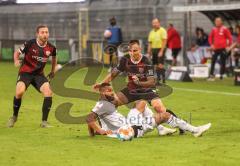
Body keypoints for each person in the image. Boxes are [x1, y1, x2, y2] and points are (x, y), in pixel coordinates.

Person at [93, 40, 185, 134]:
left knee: (159, 108)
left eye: (135, 51)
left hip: (147, 89)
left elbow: (151, 81)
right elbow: (113, 74)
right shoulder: (125, 60)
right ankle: (101, 128)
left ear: (140, 50)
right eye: (131, 51)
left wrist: (139, 82)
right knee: (110, 101)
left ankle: (181, 125)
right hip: (131, 89)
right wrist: (102, 84)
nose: (133, 53)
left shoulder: (146, 61)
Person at [87, 83, 211, 138]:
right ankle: (195, 130)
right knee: (163, 114)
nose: (112, 92)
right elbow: (89, 119)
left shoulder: (104, 104)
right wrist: (101, 131)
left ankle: (163, 129)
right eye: (108, 91)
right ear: (102, 92)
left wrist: (93, 133)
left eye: (111, 90)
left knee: (143, 103)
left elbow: (92, 120)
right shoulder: (102, 104)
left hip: (131, 126)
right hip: (129, 130)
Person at [7, 25, 57, 128]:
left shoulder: (51, 47)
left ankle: (44, 122)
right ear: (37, 34)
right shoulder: (30, 43)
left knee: (48, 92)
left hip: (39, 75)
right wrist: (16, 60)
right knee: (19, 92)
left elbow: (54, 58)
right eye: (42, 32)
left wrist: (52, 71)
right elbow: (17, 52)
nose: (45, 34)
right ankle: (14, 116)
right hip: (25, 73)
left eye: (47, 32)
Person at [148, 18, 167, 84]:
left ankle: (162, 79)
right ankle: (158, 79)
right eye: (153, 23)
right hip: (154, 49)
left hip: (160, 48)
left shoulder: (162, 30)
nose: (154, 24)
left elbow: (164, 41)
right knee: (155, 65)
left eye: (156, 23)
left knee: (160, 64)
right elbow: (150, 43)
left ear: (159, 23)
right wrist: (149, 52)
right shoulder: (151, 32)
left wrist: (161, 51)